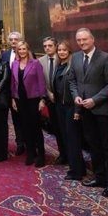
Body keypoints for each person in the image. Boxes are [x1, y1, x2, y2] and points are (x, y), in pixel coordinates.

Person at [68, 28, 108, 197]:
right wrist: (76, 96)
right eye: (79, 40)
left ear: (92, 39)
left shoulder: (105, 58)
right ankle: (100, 177)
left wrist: (95, 100)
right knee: (93, 145)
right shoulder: (75, 57)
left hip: (102, 110)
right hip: (84, 110)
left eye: (84, 39)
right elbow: (72, 81)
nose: (82, 42)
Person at [52, 40, 86, 181]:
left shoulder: (73, 67)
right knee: (66, 137)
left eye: (64, 50)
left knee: (73, 140)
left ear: (69, 52)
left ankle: (76, 171)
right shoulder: (59, 65)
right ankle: (78, 167)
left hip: (72, 107)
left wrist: (77, 110)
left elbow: (78, 90)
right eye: (59, 50)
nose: (61, 52)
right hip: (61, 106)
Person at [10, 41, 47, 167]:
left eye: (24, 49)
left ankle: (41, 154)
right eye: (19, 49)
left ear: (28, 50)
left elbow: (41, 82)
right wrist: (13, 99)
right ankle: (30, 153)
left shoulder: (35, 63)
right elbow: (13, 83)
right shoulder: (14, 64)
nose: (21, 51)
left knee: (35, 127)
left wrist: (42, 99)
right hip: (20, 100)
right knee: (25, 127)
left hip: (34, 99)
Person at [39, 37, 66, 165]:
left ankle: (70, 154)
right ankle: (62, 154)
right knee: (57, 129)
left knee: (66, 129)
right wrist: (48, 93)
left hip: (64, 100)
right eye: (45, 46)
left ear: (55, 46)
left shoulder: (62, 58)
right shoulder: (40, 61)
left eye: (50, 45)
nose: (47, 48)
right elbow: (40, 80)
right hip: (50, 99)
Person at [2, 31, 25, 155]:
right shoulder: (4, 55)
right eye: (11, 40)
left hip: (23, 93)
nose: (13, 42)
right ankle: (20, 143)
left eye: (16, 39)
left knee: (25, 118)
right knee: (15, 119)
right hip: (7, 92)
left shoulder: (27, 53)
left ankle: (29, 142)